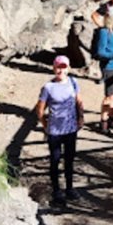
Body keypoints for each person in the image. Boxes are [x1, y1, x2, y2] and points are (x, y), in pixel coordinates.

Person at [36, 56, 84, 205]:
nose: (61, 70)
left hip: (70, 129)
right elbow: (40, 109)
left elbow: (79, 101)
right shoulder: (48, 87)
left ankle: (70, 188)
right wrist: (45, 125)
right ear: (53, 68)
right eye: (58, 67)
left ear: (68, 68)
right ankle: (57, 190)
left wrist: (80, 117)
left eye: (63, 67)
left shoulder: (73, 82)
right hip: (55, 131)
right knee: (55, 161)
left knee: (69, 160)